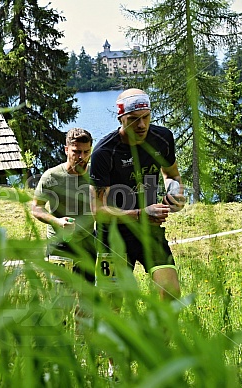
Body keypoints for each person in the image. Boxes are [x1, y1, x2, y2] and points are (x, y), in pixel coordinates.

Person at [89, 88, 186, 301]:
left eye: (146, 117)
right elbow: (98, 212)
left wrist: (175, 193)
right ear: (121, 118)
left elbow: (172, 175)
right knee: (111, 304)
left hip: (148, 230)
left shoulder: (162, 138)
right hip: (113, 236)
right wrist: (141, 213)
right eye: (133, 119)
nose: (141, 125)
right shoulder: (104, 152)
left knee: (172, 294)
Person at [32, 128, 96, 284]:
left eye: (86, 152)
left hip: (87, 243)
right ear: (66, 149)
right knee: (60, 299)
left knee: (87, 299)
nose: (82, 157)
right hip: (58, 244)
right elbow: (36, 208)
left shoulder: (96, 175)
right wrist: (57, 221)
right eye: (76, 152)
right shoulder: (52, 176)